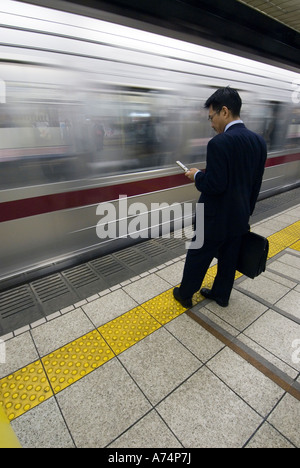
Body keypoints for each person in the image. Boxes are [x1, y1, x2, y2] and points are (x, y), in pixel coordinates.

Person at [173, 87, 267, 308]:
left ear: (224, 111)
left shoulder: (219, 142)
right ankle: (221, 295)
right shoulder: (258, 141)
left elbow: (215, 185)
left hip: (214, 217)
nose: (211, 123)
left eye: (211, 117)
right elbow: (256, 183)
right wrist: (246, 212)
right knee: (229, 257)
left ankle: (185, 294)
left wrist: (197, 176)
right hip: (240, 216)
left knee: (198, 255)